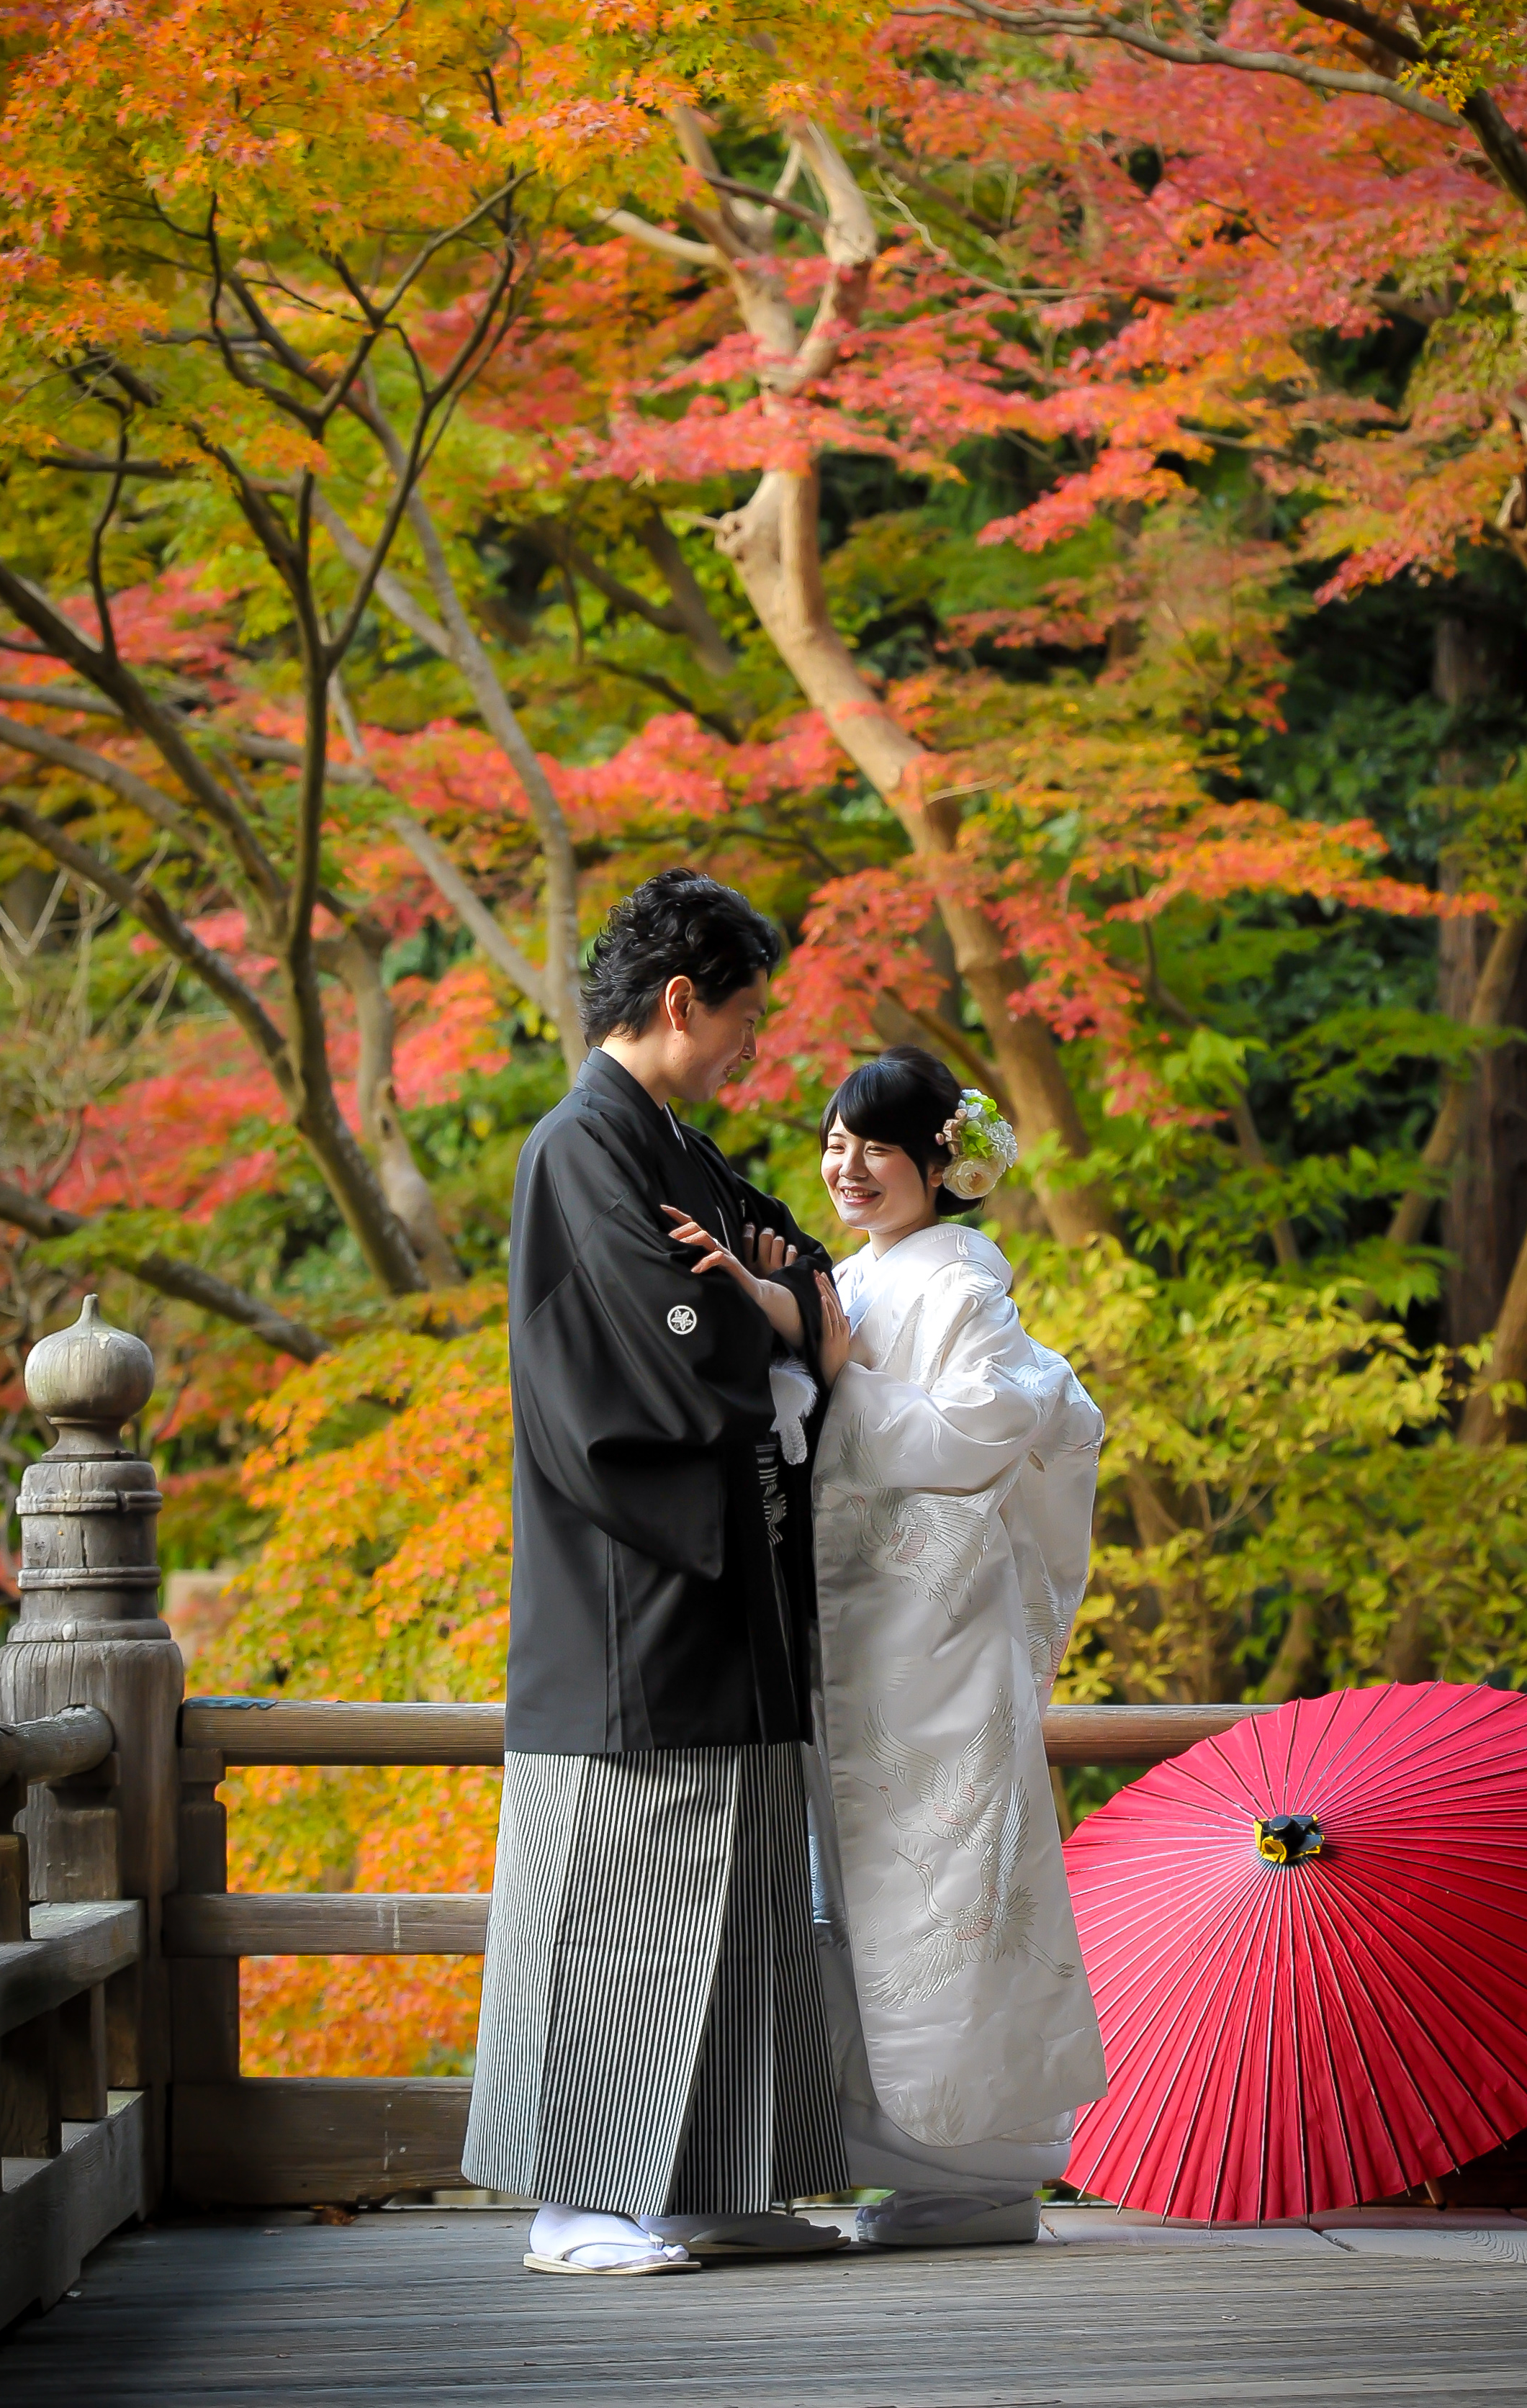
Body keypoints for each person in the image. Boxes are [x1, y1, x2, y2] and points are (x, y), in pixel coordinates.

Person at [461, 869, 855, 2277]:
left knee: (741, 1901)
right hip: (633, 1597)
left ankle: (702, 2184)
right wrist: (764, 1327)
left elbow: (797, 1277)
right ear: (681, 999)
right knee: (622, 1916)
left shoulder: (667, 1147)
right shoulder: (582, 1151)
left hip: (725, 1594)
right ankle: (580, 2206)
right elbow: (668, 1351)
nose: (756, 1046)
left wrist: (776, 1305)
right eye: (745, 1015)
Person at [810, 1047, 1106, 2250]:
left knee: (952, 1897)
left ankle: (982, 2173)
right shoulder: (855, 1275)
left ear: (942, 1161)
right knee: (869, 1894)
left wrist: (847, 1384)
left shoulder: (966, 1278)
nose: (849, 1164)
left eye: (878, 1145)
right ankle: (911, 2161)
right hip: (874, 1625)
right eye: (836, 1140)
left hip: (942, 1637)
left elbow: (990, 1426)